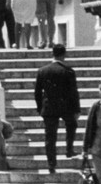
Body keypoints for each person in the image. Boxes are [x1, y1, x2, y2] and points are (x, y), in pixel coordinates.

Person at [34, 44, 81, 174]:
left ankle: (51, 164)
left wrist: (40, 108)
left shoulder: (42, 71)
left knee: (50, 137)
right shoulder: (68, 71)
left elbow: (37, 92)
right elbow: (73, 92)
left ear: (52, 54)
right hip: (65, 106)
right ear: (64, 54)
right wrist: (76, 109)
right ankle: (69, 149)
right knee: (72, 125)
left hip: (49, 107)